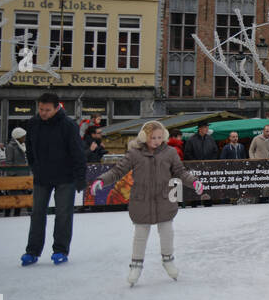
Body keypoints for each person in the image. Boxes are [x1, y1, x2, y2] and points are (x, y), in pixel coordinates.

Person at [91, 120, 208, 286]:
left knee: (167, 232)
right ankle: (136, 265)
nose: (157, 141)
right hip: (141, 201)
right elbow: (118, 171)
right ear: (145, 136)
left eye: (160, 137)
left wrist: (194, 182)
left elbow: (180, 172)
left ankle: (168, 261)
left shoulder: (170, 152)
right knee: (140, 235)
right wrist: (102, 181)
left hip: (164, 199)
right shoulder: (135, 153)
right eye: (153, 137)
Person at [21, 92, 87, 266]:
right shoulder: (33, 124)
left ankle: (60, 250)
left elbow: (77, 152)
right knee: (37, 214)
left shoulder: (68, 125)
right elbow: (29, 148)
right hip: (42, 177)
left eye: (47, 110)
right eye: (41, 109)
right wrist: (34, 167)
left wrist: (80, 177)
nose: (43, 113)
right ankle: (32, 251)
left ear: (57, 108)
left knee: (63, 214)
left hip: (66, 177)